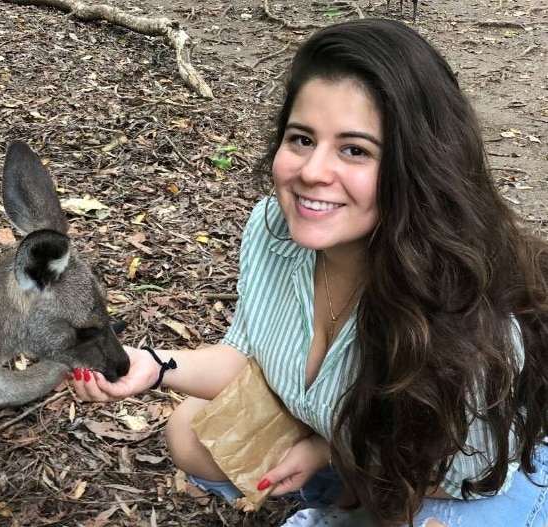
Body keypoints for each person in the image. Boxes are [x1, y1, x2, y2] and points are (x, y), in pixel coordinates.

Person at [69, 18, 548, 527]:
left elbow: (459, 477)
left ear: (416, 166)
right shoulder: (274, 229)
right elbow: (250, 357)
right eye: (301, 139)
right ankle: (345, 500)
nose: (313, 171)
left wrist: (327, 452)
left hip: (469, 487)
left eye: (355, 150)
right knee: (190, 430)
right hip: (365, 455)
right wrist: (154, 365)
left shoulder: (468, 313)